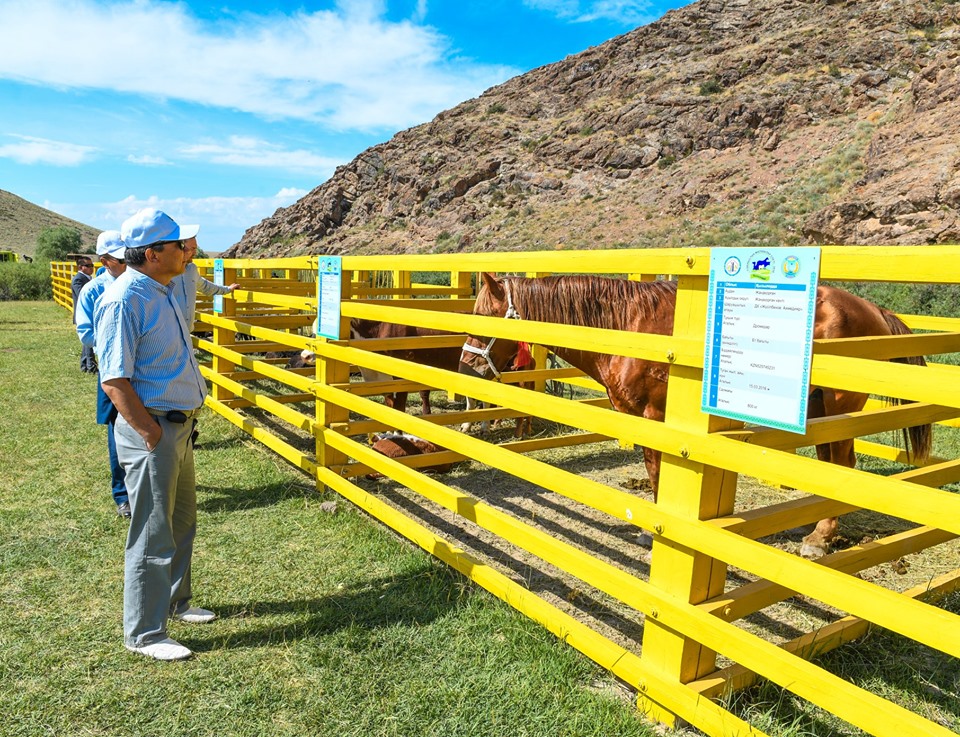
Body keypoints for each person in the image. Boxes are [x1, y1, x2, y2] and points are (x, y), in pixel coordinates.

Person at [96, 208, 216, 662]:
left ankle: (177, 602)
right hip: (157, 430)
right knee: (151, 531)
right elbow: (115, 378)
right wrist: (149, 432)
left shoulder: (160, 289)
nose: (186, 250)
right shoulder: (125, 298)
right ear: (151, 253)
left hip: (178, 427)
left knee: (181, 521)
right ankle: (144, 633)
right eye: (176, 245)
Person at [76, 232, 131, 518]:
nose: (126, 262)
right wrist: (115, 342)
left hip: (141, 369)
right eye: (121, 258)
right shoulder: (94, 291)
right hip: (114, 370)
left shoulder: (139, 283)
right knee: (116, 431)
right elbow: (85, 331)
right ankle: (122, 494)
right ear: (105, 260)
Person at [168, 237, 239, 331]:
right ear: (180, 248)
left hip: (186, 334)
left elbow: (205, 286)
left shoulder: (192, 269)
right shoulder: (165, 271)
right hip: (167, 334)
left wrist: (228, 289)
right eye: (192, 248)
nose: (195, 253)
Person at [72, 256, 96, 372]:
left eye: (92, 265)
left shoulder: (88, 279)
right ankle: (90, 365)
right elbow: (83, 295)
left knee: (86, 342)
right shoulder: (78, 279)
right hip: (84, 314)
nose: (92, 268)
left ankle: (84, 365)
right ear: (80, 267)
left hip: (87, 313)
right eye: (88, 266)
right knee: (88, 339)